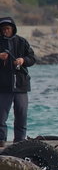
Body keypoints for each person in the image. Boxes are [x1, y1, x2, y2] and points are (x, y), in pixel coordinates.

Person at [0, 16, 37, 147]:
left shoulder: (22, 42)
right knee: (1, 117)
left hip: (21, 86)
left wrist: (23, 61)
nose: (5, 31)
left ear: (13, 29)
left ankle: (20, 142)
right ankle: (1, 141)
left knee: (21, 116)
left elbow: (32, 58)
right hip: (3, 87)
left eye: (7, 29)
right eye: (3, 29)